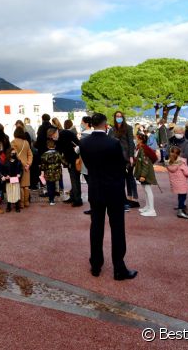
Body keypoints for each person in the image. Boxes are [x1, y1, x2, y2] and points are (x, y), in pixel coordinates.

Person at [80, 112, 136, 280]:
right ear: (106, 125)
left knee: (96, 227)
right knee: (117, 228)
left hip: (95, 189)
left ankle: (95, 265)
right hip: (114, 189)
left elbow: (88, 165)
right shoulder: (113, 143)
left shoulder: (84, 143)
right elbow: (120, 166)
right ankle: (119, 268)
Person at [109, 111, 139, 209]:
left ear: (123, 117)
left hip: (126, 157)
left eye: (120, 116)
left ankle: (133, 198)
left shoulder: (128, 128)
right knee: (119, 179)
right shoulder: (112, 129)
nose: (118, 117)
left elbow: (131, 143)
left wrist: (131, 156)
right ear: (114, 117)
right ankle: (123, 199)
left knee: (130, 178)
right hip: (115, 158)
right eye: (117, 116)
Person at [167, 125, 188, 213]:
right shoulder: (171, 141)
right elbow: (168, 151)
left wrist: (175, 156)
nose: (178, 134)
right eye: (176, 132)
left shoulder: (187, 142)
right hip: (176, 165)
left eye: (180, 132)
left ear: (183, 133)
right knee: (180, 187)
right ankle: (181, 204)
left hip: (186, 165)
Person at [133, 133, 158, 217]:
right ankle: (148, 207)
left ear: (140, 140)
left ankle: (152, 210)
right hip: (144, 172)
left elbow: (145, 163)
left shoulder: (143, 149)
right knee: (146, 190)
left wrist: (143, 175)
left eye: (136, 138)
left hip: (146, 173)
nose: (135, 140)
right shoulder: (140, 148)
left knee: (148, 190)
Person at [58, 120, 81, 206]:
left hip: (73, 160)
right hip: (73, 159)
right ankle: (74, 197)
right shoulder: (70, 133)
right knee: (74, 179)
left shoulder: (65, 134)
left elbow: (76, 145)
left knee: (75, 179)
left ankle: (77, 199)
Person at [165, 146, 188, 220]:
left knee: (180, 196)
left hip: (175, 183)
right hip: (182, 183)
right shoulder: (182, 163)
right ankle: (180, 211)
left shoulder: (169, 162)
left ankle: (181, 208)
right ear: (179, 154)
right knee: (182, 197)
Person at [10, 126, 34, 207]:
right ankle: (26, 202)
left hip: (18, 166)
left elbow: (16, 155)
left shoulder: (13, 142)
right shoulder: (26, 142)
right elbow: (30, 154)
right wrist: (28, 164)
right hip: (27, 167)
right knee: (26, 186)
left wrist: (23, 164)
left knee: (20, 185)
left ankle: (21, 203)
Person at [41, 133, 65, 206]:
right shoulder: (58, 153)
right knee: (54, 185)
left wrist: (42, 172)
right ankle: (53, 198)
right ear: (55, 146)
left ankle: (51, 199)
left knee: (49, 185)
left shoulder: (45, 154)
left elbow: (43, 165)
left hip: (48, 173)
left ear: (47, 146)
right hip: (56, 172)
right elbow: (63, 161)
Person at [3, 148, 23, 213]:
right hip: (9, 180)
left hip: (16, 179)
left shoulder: (18, 161)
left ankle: (17, 206)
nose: (13, 154)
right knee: (9, 193)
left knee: (16, 192)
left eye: (14, 153)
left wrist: (19, 174)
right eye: (12, 153)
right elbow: (4, 171)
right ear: (9, 154)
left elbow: (21, 170)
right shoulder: (6, 161)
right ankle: (8, 206)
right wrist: (6, 175)